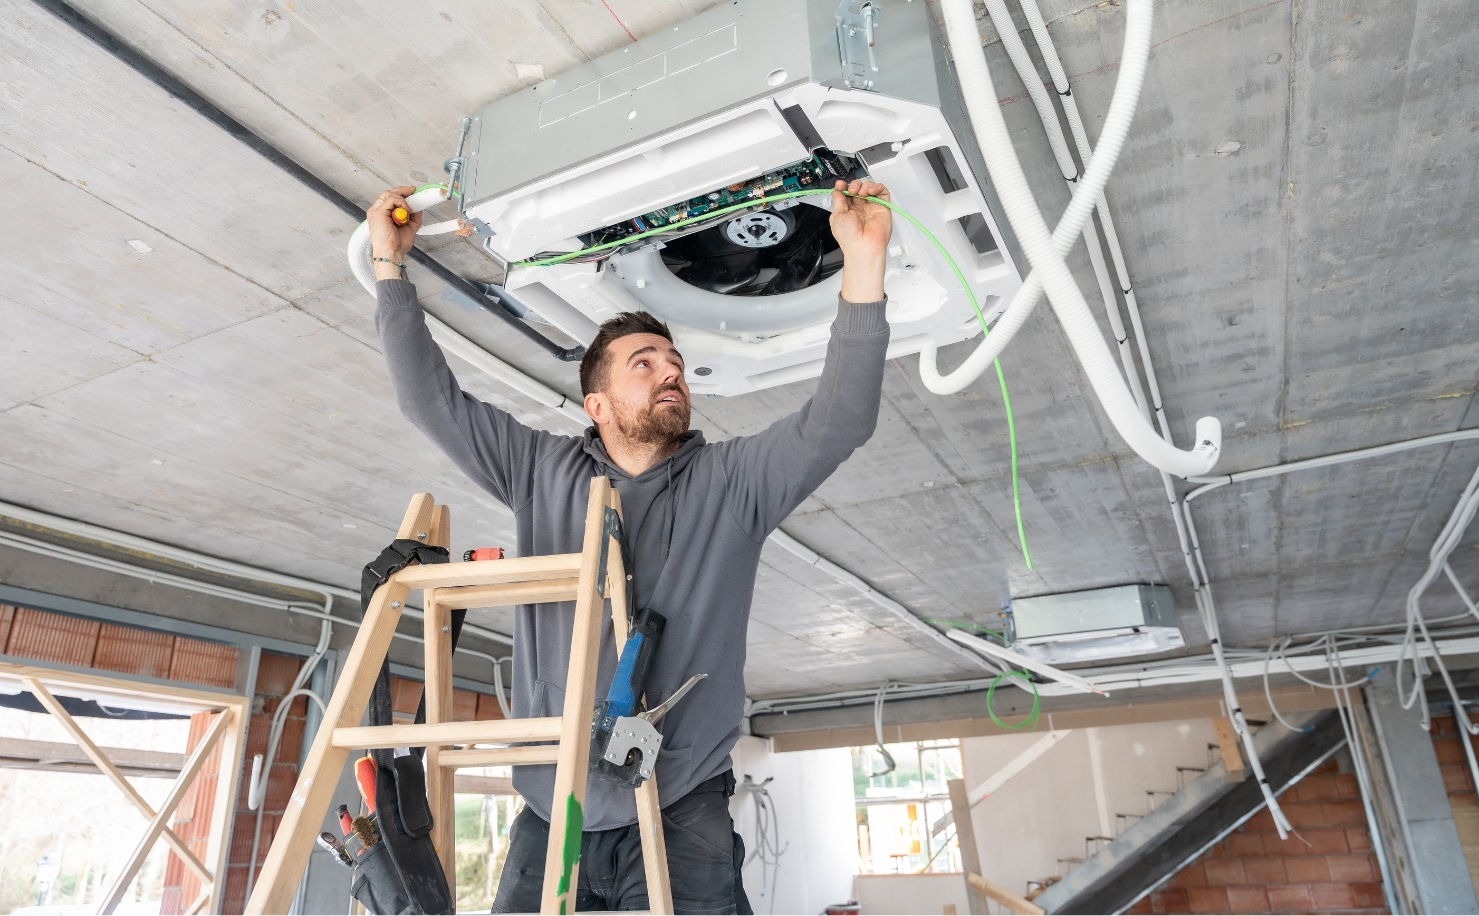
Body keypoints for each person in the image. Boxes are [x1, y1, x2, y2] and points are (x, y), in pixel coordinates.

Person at [367, 178, 894, 913]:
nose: (669, 371)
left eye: (673, 363)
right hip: (553, 808)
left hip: (682, 805)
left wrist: (862, 266)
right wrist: (390, 270)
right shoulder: (539, 469)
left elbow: (838, 422)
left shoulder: (732, 482)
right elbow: (430, 401)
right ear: (597, 405)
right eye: (643, 363)